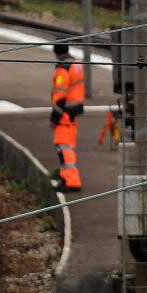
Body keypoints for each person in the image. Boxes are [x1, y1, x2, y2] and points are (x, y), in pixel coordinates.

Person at [51, 43, 85, 191]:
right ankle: (66, 177)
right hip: (73, 112)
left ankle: (71, 181)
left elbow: (59, 95)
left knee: (63, 147)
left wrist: (54, 117)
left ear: (56, 52)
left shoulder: (63, 69)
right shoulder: (76, 64)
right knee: (68, 147)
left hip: (64, 115)